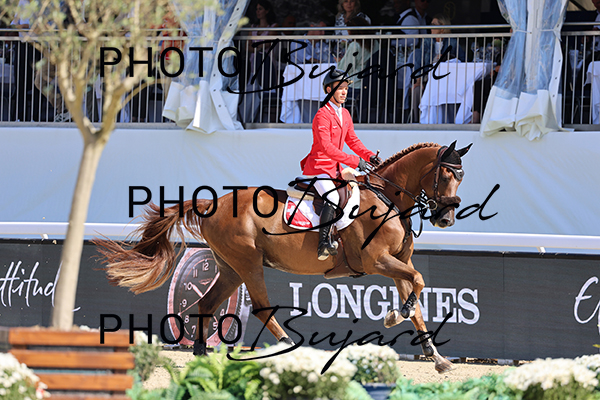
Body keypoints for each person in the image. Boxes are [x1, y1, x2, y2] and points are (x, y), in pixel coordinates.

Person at [300, 69, 381, 260]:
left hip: (335, 168)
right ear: (329, 90)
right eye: (340, 88)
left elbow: (352, 140)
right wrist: (355, 161)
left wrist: (369, 156)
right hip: (319, 168)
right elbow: (326, 148)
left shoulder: (344, 113)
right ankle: (323, 243)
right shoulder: (322, 115)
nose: (344, 92)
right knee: (333, 197)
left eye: (346, 88)